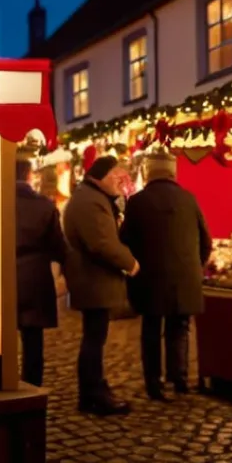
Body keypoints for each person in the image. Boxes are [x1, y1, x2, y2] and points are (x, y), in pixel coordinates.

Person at [119, 152, 212, 401]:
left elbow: (125, 241)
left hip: (149, 279)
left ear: (149, 172)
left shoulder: (137, 202)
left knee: (151, 329)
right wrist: (195, 267)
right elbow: (206, 240)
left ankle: (154, 383)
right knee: (179, 328)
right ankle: (179, 378)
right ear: (172, 173)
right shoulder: (188, 199)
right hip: (185, 278)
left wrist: (134, 268)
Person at [0, 159, 67, 387]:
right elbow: (58, 247)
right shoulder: (44, 205)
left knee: (0, 337)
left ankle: (1, 383)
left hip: (0, 278)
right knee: (33, 341)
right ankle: (32, 389)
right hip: (34, 281)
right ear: (30, 175)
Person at [62, 156, 138, 415]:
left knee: (95, 337)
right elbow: (102, 243)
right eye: (117, 176)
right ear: (102, 176)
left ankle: (95, 390)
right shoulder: (90, 202)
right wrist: (130, 263)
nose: (120, 181)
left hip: (93, 279)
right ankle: (94, 394)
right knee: (94, 339)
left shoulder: (90, 196)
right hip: (93, 280)